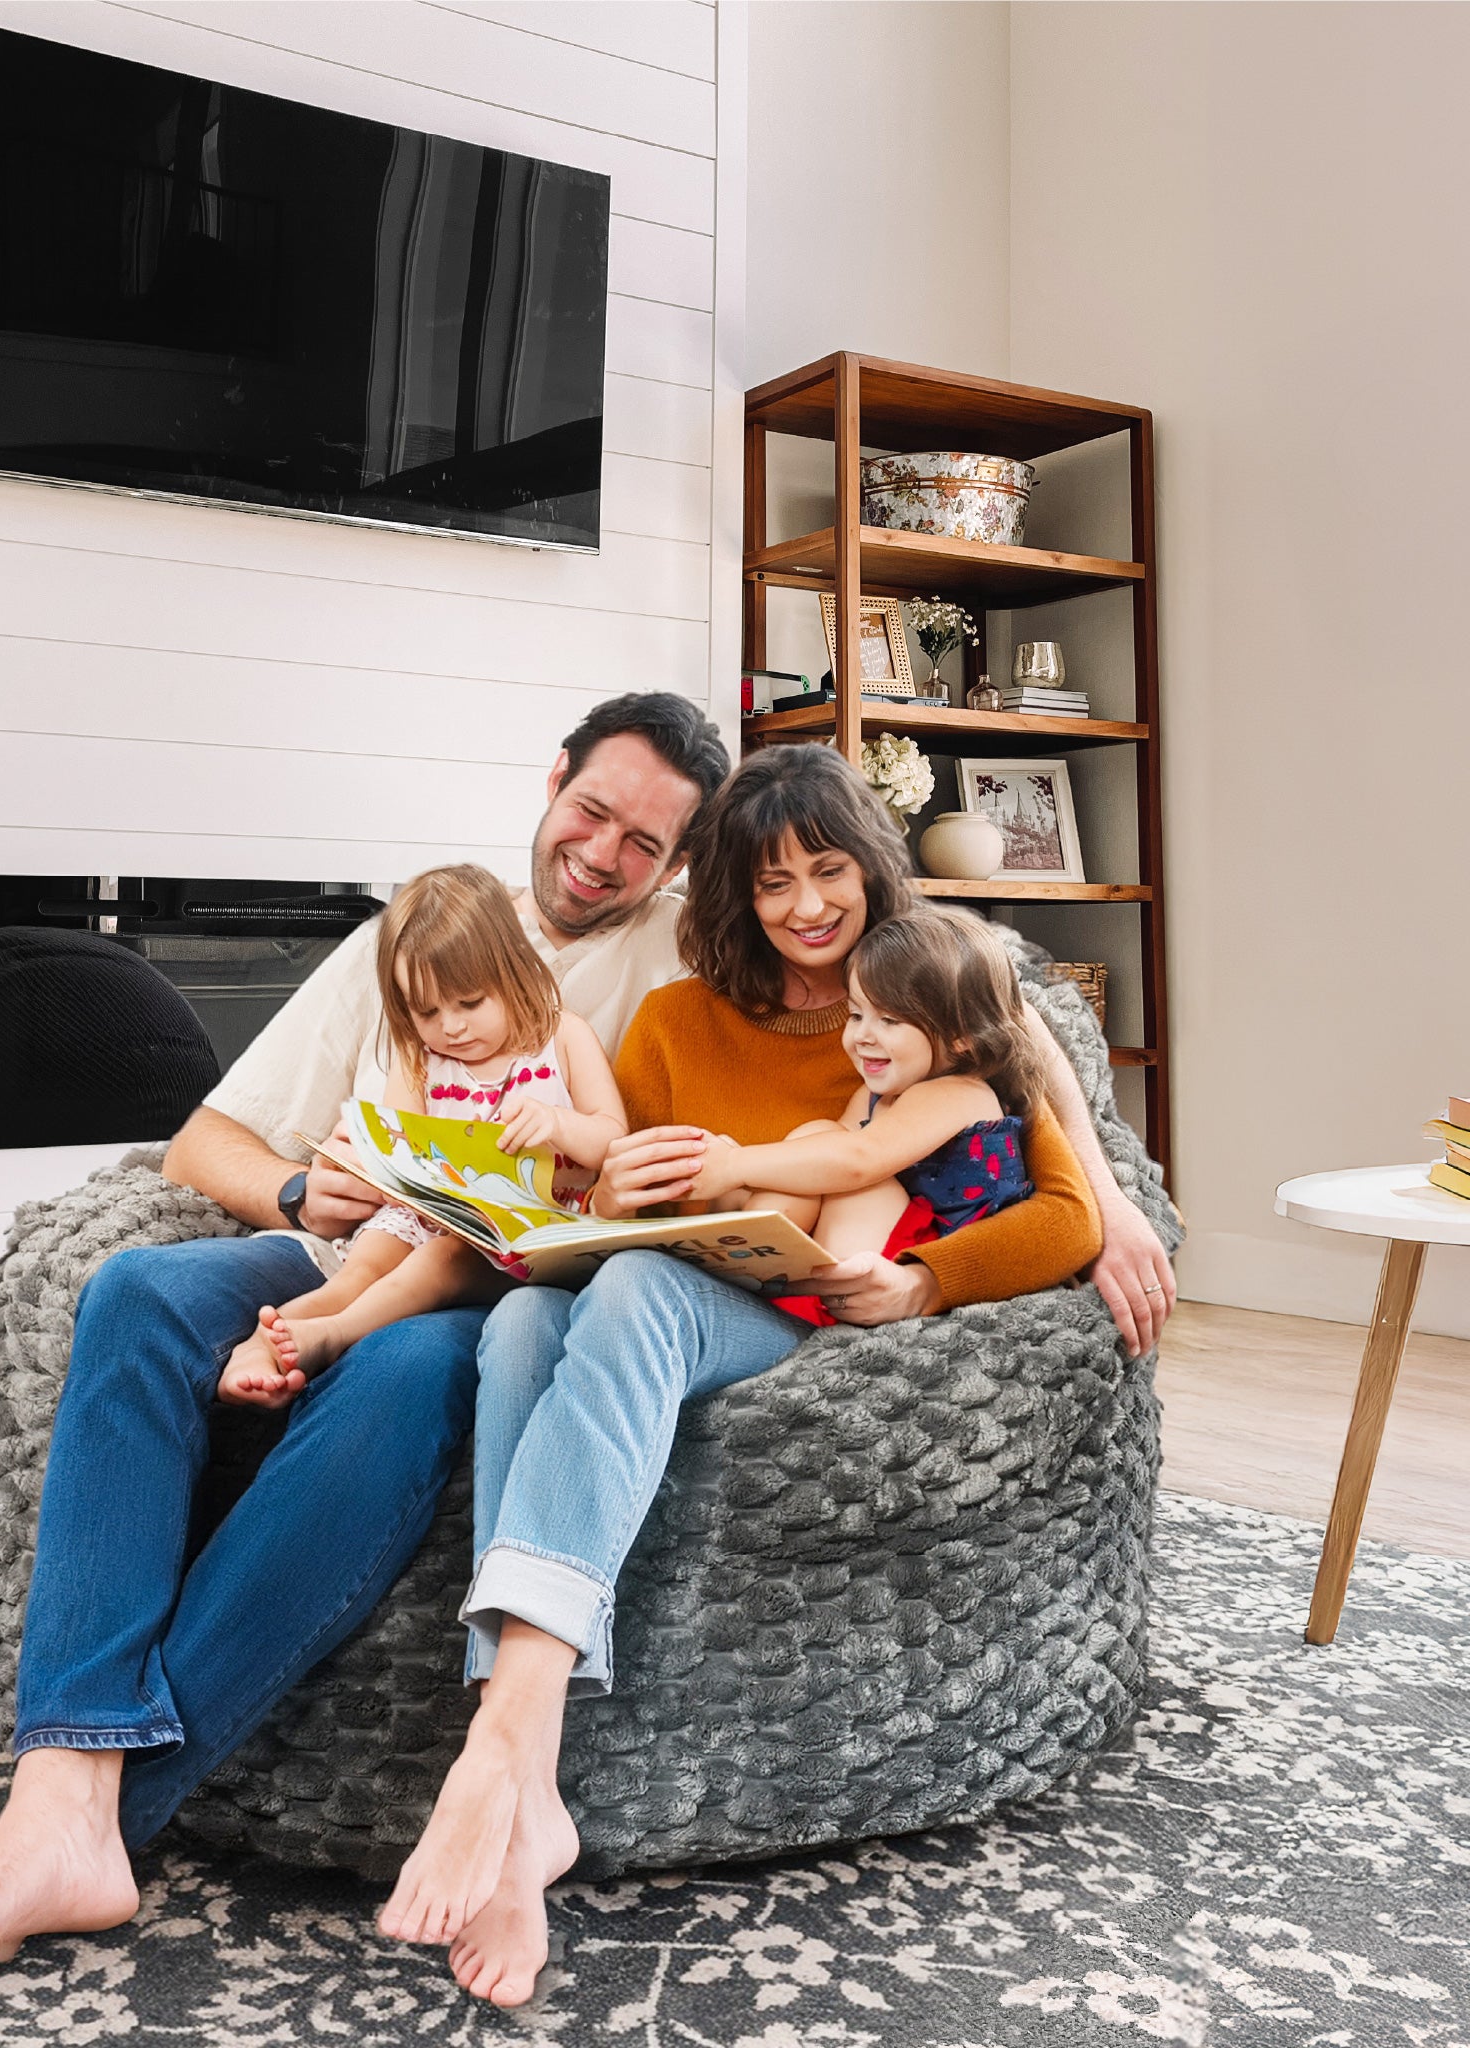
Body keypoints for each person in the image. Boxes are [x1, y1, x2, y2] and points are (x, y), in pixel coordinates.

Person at [0, 692, 731, 1987]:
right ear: (552, 780)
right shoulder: (414, 934)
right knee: (136, 1293)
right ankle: (65, 1785)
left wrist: (1091, 1194)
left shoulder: (677, 963)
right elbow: (204, 1140)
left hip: (488, 1293)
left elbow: (936, 989)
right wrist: (298, 1195)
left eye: (644, 844)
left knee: (405, 1374)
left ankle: (90, 1827)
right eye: (592, 812)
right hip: (343, 1242)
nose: (603, 855)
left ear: (680, 863)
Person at [374, 745, 1114, 2008]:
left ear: (871, 870)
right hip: (657, 1278)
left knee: (636, 1292)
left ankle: (496, 1738)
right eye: (774, 883)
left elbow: (1063, 1214)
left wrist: (924, 1280)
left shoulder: (917, 1012)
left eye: (829, 870)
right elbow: (600, 1188)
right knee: (516, 1331)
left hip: (783, 1306)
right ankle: (528, 1796)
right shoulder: (670, 1018)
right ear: (733, 892)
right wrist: (623, 1180)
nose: (807, 905)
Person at [220, 864, 627, 1401]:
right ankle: (261, 1344)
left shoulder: (562, 1037)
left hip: (525, 1238)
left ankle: (332, 1337)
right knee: (362, 1266)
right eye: (427, 1011)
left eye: (470, 1003)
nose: (451, 1026)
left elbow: (614, 1141)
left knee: (438, 1262)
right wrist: (369, 1153)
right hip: (437, 1217)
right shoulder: (421, 1057)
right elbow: (401, 1154)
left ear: (515, 971)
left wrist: (558, 1124)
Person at [692, 905, 1046, 1314]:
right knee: (818, 1138)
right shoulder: (874, 1096)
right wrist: (733, 1182)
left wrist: (736, 1164)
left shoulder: (960, 1092)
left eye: (890, 1020)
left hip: (928, 1269)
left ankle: (769, 1271)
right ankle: (745, 1245)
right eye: (856, 1015)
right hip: (885, 1245)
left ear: (961, 1035)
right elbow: (823, 1161)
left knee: (853, 1178)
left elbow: (858, 1162)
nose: (862, 1036)